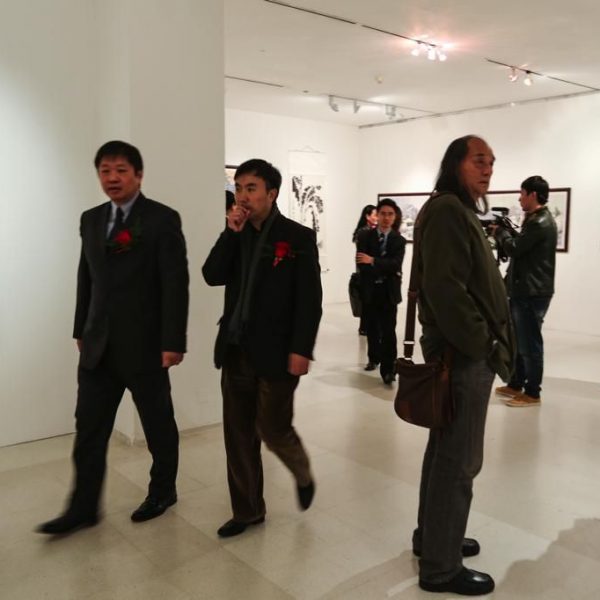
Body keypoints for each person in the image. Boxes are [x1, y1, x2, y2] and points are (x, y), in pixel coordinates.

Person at [37, 141, 189, 535]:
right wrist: (80, 329)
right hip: (97, 347)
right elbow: (86, 277)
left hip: (145, 346)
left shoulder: (161, 219)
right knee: (89, 429)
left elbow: (175, 283)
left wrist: (173, 340)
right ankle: (83, 507)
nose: (112, 178)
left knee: (157, 424)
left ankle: (163, 490)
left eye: (121, 170)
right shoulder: (90, 219)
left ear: (138, 174)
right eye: (105, 170)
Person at [412, 135, 515, 595]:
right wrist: (483, 343)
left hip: (459, 353)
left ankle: (433, 538)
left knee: (444, 451)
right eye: (478, 161)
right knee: (459, 461)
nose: (487, 169)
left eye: (491, 162)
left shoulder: (453, 209)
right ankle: (440, 566)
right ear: (456, 164)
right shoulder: (450, 210)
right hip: (462, 356)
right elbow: (446, 289)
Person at [202, 158, 322, 538]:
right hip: (236, 349)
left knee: (273, 429)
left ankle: (301, 471)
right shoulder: (236, 234)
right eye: (238, 188)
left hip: (277, 352)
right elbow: (211, 275)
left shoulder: (297, 237)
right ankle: (248, 511)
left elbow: (310, 300)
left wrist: (301, 348)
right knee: (238, 435)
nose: (242, 196)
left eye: (251, 188)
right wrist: (230, 234)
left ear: (272, 193)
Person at [493, 176, 557, 407]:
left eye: (522, 194)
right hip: (525, 289)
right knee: (519, 340)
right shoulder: (535, 220)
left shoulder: (540, 222)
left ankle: (532, 392)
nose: (519, 198)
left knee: (530, 344)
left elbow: (515, 248)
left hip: (531, 292)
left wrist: (501, 234)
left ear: (532, 194)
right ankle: (516, 383)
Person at [356, 198, 406, 384]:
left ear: (395, 216)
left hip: (389, 292)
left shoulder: (399, 240)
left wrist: (373, 261)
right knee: (372, 328)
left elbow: (396, 264)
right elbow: (362, 263)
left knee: (388, 331)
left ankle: (389, 369)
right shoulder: (365, 237)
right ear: (377, 215)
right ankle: (373, 358)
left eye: (390, 214)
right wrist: (384, 266)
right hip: (370, 290)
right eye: (383, 214)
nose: (386, 218)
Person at [353, 204, 378, 335]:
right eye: (375, 214)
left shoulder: (370, 231)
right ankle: (364, 328)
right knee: (367, 300)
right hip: (366, 271)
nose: (377, 217)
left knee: (370, 300)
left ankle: (367, 326)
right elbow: (362, 255)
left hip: (369, 269)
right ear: (367, 216)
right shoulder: (364, 232)